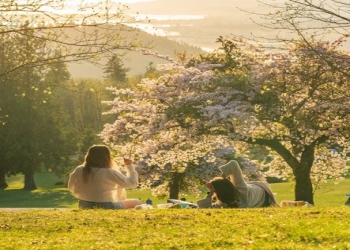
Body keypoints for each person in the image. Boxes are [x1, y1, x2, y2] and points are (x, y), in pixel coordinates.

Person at [68, 145, 142, 209]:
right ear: (107, 157)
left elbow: (70, 187)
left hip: (84, 205)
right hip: (106, 206)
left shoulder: (79, 169)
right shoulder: (108, 172)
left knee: (123, 201)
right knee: (137, 202)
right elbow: (133, 183)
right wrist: (129, 166)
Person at [197, 160, 279, 208]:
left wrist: (211, 192)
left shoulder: (226, 202)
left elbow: (205, 207)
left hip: (260, 197)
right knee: (246, 187)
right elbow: (233, 164)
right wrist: (221, 179)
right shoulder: (240, 188)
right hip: (262, 192)